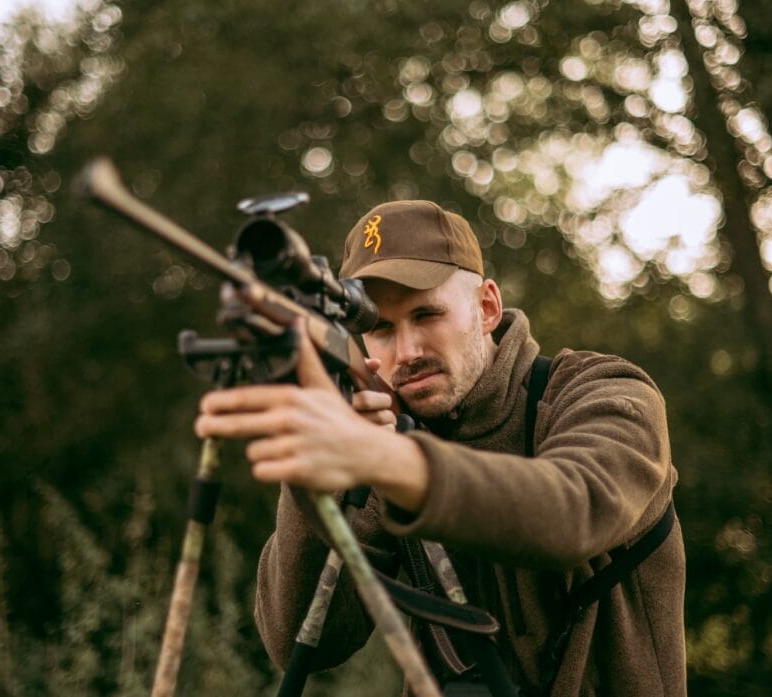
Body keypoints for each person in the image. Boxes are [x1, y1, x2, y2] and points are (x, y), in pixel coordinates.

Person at [195, 200, 686, 696]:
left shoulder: (606, 392)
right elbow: (304, 642)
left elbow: (573, 509)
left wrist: (383, 459)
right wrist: (318, 472)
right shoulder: (385, 432)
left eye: (427, 314)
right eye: (380, 328)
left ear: (487, 307)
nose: (406, 352)